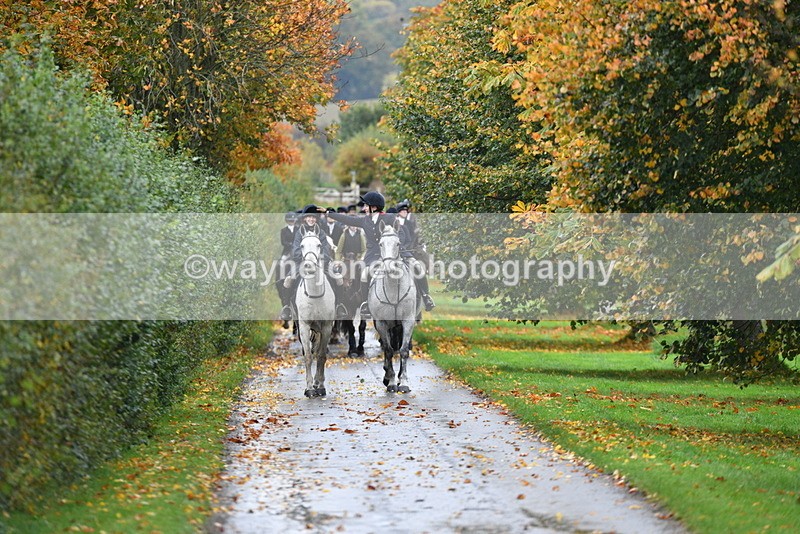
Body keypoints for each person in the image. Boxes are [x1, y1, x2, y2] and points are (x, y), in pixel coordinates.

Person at [327, 191, 435, 315]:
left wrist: (395, 245)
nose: (364, 208)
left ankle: (426, 297)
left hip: (395, 252)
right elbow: (348, 219)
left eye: (366, 206)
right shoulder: (365, 220)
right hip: (373, 256)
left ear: (374, 207)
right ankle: (366, 303)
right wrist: (329, 213)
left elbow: (401, 233)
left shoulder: (389, 218)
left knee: (417, 266)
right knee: (364, 273)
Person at [279, 204, 346, 321]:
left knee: (338, 278)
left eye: (313, 217)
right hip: (302, 263)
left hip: (321, 263)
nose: (311, 219)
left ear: (316, 219)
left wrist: (320, 260)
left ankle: (339, 305)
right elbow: (295, 250)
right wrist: (305, 259)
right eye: (309, 217)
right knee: (288, 280)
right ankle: (287, 308)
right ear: (305, 218)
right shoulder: (299, 232)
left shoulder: (321, 232)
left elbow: (325, 249)